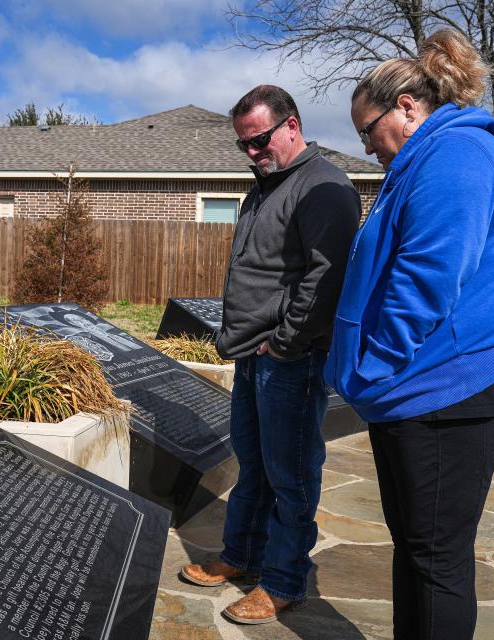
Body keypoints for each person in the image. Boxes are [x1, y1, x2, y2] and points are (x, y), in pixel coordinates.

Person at [325, 30, 494, 639]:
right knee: (418, 551)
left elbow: (428, 278)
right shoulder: (428, 158)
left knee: (438, 561)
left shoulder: (457, 157)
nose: (368, 147)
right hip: (420, 392)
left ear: (409, 106)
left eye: (369, 130)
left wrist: (373, 366)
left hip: (449, 393)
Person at [180, 85, 360, 624]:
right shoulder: (266, 184)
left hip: (290, 358)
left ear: (292, 125)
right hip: (252, 353)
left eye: (259, 140)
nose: (254, 152)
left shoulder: (323, 186)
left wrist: (284, 342)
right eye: (244, 146)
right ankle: (242, 555)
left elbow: (325, 276)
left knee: (291, 474)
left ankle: (283, 581)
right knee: (253, 464)